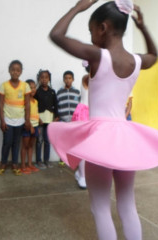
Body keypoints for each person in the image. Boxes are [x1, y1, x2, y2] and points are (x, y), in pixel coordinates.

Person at [48, 1, 158, 239]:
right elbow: (154, 55)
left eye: (91, 33)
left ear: (103, 27)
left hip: (100, 138)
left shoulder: (98, 56)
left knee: (100, 208)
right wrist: (142, 28)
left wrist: (78, 7)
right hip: (125, 138)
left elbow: (56, 35)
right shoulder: (136, 61)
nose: (91, 39)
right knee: (127, 205)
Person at [0, 60, 31, 176]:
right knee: (7, 142)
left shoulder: (25, 86)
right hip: (7, 120)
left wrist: (27, 120)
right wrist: (2, 121)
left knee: (16, 143)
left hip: (20, 120)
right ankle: (3, 163)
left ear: (21, 72)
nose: (15, 72)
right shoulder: (3, 86)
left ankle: (15, 164)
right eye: (13, 70)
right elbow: (0, 104)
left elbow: (27, 104)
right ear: (9, 71)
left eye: (17, 70)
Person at [34, 69, 58, 169]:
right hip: (39, 121)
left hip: (50, 121)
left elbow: (56, 105)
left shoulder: (52, 92)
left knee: (47, 141)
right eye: (42, 77)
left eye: (46, 77)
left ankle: (46, 160)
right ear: (39, 79)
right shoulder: (37, 92)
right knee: (39, 141)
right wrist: (37, 118)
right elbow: (33, 106)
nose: (44, 79)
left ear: (49, 79)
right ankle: (39, 161)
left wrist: (56, 117)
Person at [71, 60, 90, 189]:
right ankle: (82, 175)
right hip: (85, 114)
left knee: (93, 148)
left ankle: (82, 173)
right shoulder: (86, 78)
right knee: (84, 147)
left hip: (95, 113)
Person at [56, 70, 80, 167]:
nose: (68, 80)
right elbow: (58, 105)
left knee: (74, 141)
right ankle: (62, 158)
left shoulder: (77, 92)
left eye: (70, 78)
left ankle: (73, 158)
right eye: (66, 78)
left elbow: (79, 106)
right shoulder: (59, 92)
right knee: (64, 141)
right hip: (64, 121)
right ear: (63, 80)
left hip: (74, 121)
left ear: (73, 79)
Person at [20, 79, 40, 174]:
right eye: (30, 88)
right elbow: (24, 114)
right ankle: (23, 166)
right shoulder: (25, 101)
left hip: (35, 126)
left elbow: (35, 113)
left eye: (34, 87)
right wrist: (30, 125)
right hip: (28, 126)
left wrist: (38, 124)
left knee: (31, 146)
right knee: (25, 146)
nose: (33, 89)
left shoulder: (36, 101)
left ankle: (30, 164)